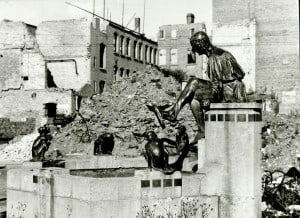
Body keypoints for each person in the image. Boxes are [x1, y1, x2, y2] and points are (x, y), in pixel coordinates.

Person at [147, 31, 248, 144]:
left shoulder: (214, 58)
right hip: (227, 90)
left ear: (200, 45)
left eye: (194, 47)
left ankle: (173, 113)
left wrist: (209, 100)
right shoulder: (219, 53)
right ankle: (202, 130)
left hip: (229, 94)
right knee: (193, 99)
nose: (194, 51)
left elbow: (218, 87)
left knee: (193, 81)